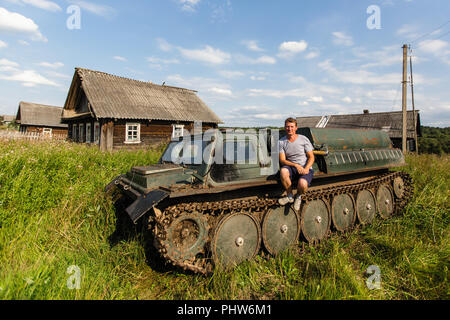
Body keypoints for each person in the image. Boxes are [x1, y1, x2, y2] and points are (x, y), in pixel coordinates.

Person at [278, 117, 315, 211]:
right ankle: (290, 196)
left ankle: (298, 196)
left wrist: (306, 168)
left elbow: (311, 157)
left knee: (302, 184)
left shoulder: (303, 139)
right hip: (292, 167)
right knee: (283, 171)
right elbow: (282, 160)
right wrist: (295, 165)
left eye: (291, 126)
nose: (289, 129)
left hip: (304, 167)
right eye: (287, 127)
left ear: (296, 128)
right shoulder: (281, 142)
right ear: (285, 128)